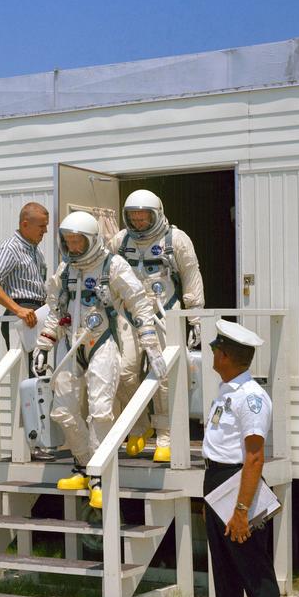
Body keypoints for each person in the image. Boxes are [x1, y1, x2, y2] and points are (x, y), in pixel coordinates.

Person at [31, 212, 162, 505]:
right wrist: (43, 343)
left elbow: (139, 303)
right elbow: (54, 309)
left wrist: (149, 340)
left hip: (103, 342)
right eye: (69, 241)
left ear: (91, 239)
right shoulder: (65, 271)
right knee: (62, 411)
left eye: (78, 241)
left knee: (101, 411)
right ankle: (84, 463)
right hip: (71, 343)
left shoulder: (113, 265)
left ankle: (99, 476)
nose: (73, 246)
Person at [184, 319, 284, 597]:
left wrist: (241, 509)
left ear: (225, 355)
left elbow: (254, 457)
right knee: (224, 569)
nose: (211, 351)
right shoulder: (226, 390)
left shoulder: (251, 397)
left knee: (254, 570)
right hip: (216, 479)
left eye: (215, 348)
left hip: (237, 482)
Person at [109, 189, 204, 463]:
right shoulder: (120, 241)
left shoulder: (176, 240)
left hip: (166, 311)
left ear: (157, 214)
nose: (138, 223)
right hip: (129, 313)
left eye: (144, 218)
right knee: (124, 370)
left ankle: (165, 435)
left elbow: (191, 276)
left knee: (163, 375)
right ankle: (138, 426)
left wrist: (195, 317)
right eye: (134, 218)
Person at [0, 202, 49, 350]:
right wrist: (18, 310)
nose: (45, 230)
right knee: (23, 370)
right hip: (22, 312)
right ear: (25, 224)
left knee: (37, 369)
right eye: (41, 226)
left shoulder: (37, 252)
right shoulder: (10, 248)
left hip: (37, 312)